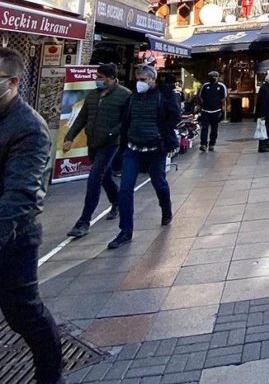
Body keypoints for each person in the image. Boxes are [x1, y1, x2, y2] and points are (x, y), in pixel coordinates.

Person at [0, 48, 64, 384]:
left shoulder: (29, 128)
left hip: (14, 238)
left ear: (12, 82)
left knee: (24, 313)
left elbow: (21, 196)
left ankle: (50, 376)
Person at [111, 64, 181, 249]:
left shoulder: (164, 96)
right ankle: (125, 231)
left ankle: (166, 210)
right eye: (138, 80)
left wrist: (162, 136)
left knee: (159, 183)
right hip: (133, 149)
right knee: (125, 188)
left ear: (152, 79)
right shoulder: (132, 98)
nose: (140, 83)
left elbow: (175, 116)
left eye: (143, 80)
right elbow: (125, 121)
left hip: (155, 149)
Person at [64, 63, 131, 238]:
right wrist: (69, 138)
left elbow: (126, 120)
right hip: (93, 142)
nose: (97, 81)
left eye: (100, 78)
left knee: (94, 177)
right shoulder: (92, 96)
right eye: (97, 77)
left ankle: (84, 221)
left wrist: (112, 133)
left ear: (111, 78)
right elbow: (82, 118)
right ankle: (116, 202)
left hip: (110, 143)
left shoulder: (124, 95)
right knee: (104, 176)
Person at [198, 70, 226, 151]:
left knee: (214, 128)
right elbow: (201, 96)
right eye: (211, 77)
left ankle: (212, 144)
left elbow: (224, 98)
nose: (213, 78)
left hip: (216, 110)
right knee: (204, 128)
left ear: (218, 77)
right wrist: (203, 105)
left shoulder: (221, 86)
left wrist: (221, 108)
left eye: (215, 77)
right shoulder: (205, 86)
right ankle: (203, 144)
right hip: (205, 110)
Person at [256, 72, 269, 153]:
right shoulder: (264, 89)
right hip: (265, 113)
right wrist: (261, 115)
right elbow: (262, 103)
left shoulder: (268, 88)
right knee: (264, 129)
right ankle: (263, 146)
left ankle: (268, 144)